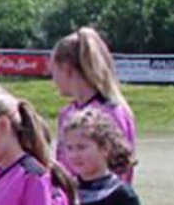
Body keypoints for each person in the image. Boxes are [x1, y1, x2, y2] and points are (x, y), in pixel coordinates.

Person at [51, 27, 137, 184]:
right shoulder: (67, 114)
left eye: (54, 70)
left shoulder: (111, 113)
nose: (53, 79)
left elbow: (120, 171)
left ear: (67, 68)